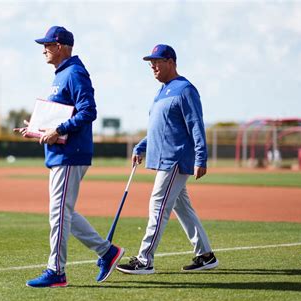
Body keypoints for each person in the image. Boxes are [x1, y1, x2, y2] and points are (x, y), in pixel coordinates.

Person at [21, 26, 124, 287]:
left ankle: (57, 271)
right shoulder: (62, 74)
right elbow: (60, 116)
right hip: (61, 154)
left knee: (59, 213)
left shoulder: (75, 73)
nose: (43, 49)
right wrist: (37, 129)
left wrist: (59, 129)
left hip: (71, 153)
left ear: (61, 46)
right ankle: (107, 252)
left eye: (48, 44)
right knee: (63, 212)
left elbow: (89, 111)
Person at [116, 44, 218, 274]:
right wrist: (141, 146)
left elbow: (195, 125)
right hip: (163, 158)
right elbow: (157, 129)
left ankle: (144, 260)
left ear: (171, 62)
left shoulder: (185, 89)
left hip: (176, 158)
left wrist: (201, 157)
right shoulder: (162, 91)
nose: (152, 66)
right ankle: (206, 255)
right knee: (182, 208)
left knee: (158, 204)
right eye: (150, 62)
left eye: (157, 61)